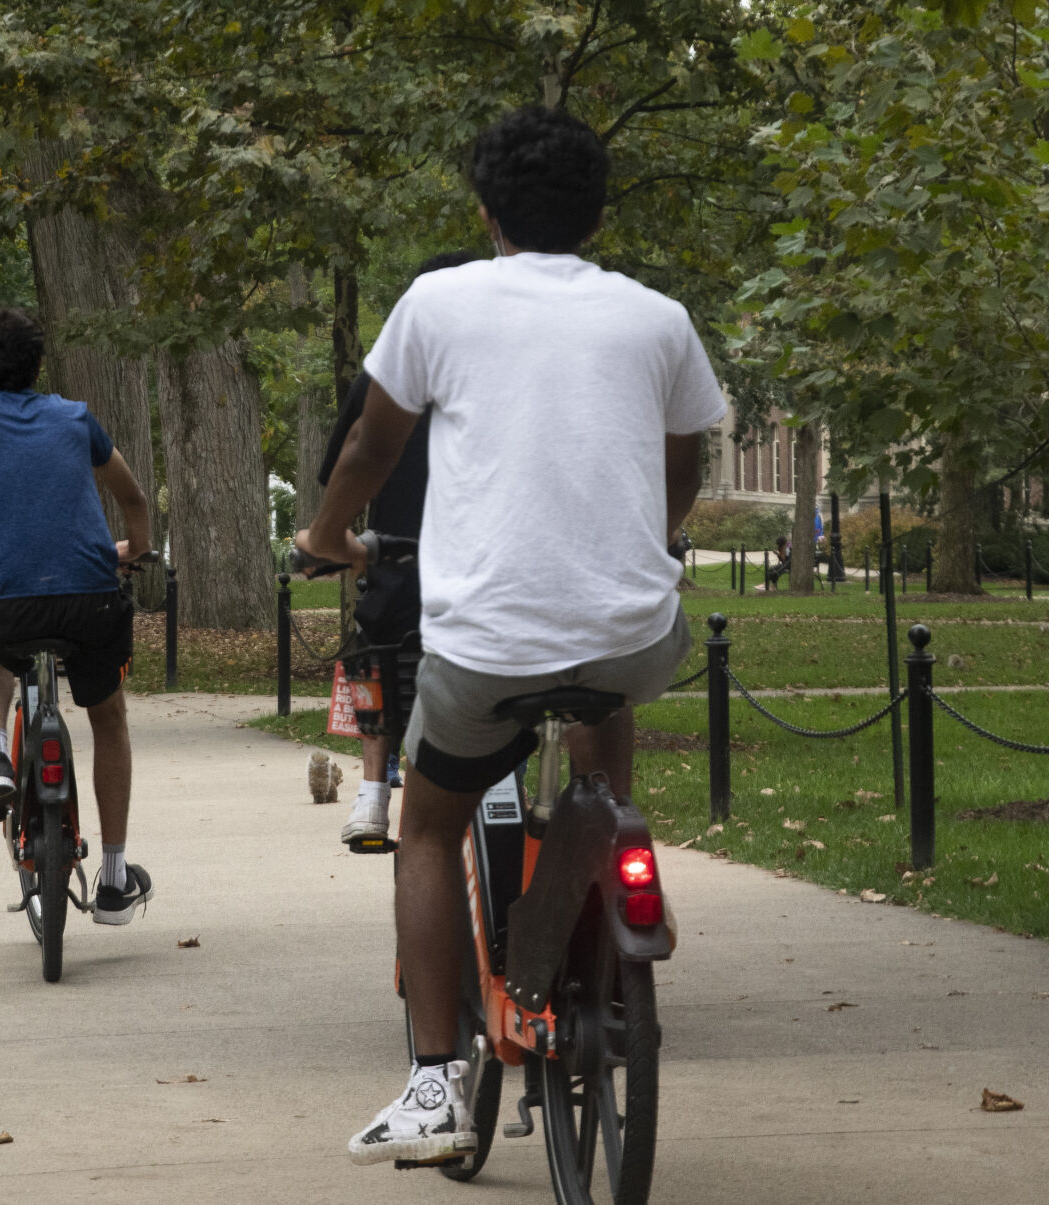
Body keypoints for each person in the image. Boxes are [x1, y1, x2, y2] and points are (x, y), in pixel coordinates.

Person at [296, 105, 725, 1167]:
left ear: (482, 207)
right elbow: (688, 453)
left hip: (485, 644)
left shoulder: (438, 301)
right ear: (596, 210)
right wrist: (661, 536)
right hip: (632, 628)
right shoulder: (658, 317)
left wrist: (326, 532)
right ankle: (616, 872)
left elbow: (368, 441)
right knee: (604, 717)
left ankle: (435, 1079)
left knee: (427, 825)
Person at [0, 307, 156, 925]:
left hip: (6, 599)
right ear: (40, 364)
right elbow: (132, 499)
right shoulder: (77, 418)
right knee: (108, 718)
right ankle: (112, 878)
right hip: (91, 596)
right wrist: (136, 550)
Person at [319, 250, 477, 846]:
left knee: (373, 653)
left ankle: (372, 793)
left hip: (402, 563)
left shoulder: (388, 374)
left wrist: (330, 540)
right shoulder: (506, 372)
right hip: (493, 571)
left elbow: (342, 466)